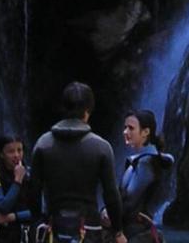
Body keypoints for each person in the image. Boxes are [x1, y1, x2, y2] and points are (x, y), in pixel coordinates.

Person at [30, 81, 126, 243]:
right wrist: (118, 231)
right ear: (88, 110)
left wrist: (38, 221)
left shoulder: (42, 144)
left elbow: (34, 191)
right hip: (89, 228)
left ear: (63, 107)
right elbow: (111, 194)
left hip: (54, 227)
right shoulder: (101, 147)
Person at [116, 110, 174, 242]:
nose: (125, 132)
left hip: (137, 234)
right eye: (125, 127)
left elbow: (129, 201)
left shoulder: (146, 162)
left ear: (145, 132)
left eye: (131, 128)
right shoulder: (144, 160)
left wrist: (110, 215)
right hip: (139, 232)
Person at [0, 135, 39, 241]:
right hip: (4, 235)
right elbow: (3, 206)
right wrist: (18, 180)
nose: (16, 155)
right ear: (1, 154)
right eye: (11, 152)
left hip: (28, 234)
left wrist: (12, 217)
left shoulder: (30, 174)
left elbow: (39, 211)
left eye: (19, 150)